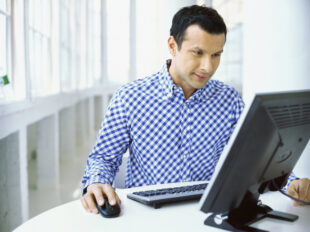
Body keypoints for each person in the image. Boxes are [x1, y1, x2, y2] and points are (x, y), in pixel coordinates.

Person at [80, 5, 310, 214]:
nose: (208, 67)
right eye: (198, 53)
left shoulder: (229, 100)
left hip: (206, 214)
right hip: (148, 216)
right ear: (173, 45)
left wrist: (292, 184)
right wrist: (97, 182)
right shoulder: (130, 98)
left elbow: (260, 158)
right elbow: (103, 158)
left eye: (216, 55)